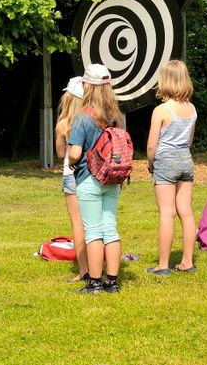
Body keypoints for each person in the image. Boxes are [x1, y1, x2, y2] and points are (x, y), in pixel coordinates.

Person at [67, 63, 125, 294]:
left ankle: (94, 283)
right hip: (111, 179)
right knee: (110, 228)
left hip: (89, 179)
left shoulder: (82, 118)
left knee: (93, 232)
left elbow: (75, 153)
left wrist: (71, 160)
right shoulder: (114, 116)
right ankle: (112, 281)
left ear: (87, 86)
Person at [146, 60, 198, 276]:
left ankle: (163, 264)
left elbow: (152, 145)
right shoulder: (191, 108)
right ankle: (187, 261)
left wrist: (151, 163)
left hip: (166, 160)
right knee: (186, 211)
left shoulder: (161, 110)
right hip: (185, 159)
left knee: (167, 213)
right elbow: (190, 140)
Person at [55, 76, 89, 282]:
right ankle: (98, 264)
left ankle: (83, 269)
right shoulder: (93, 120)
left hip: (71, 174)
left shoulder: (63, 124)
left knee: (77, 223)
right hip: (91, 174)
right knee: (93, 222)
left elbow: (61, 154)